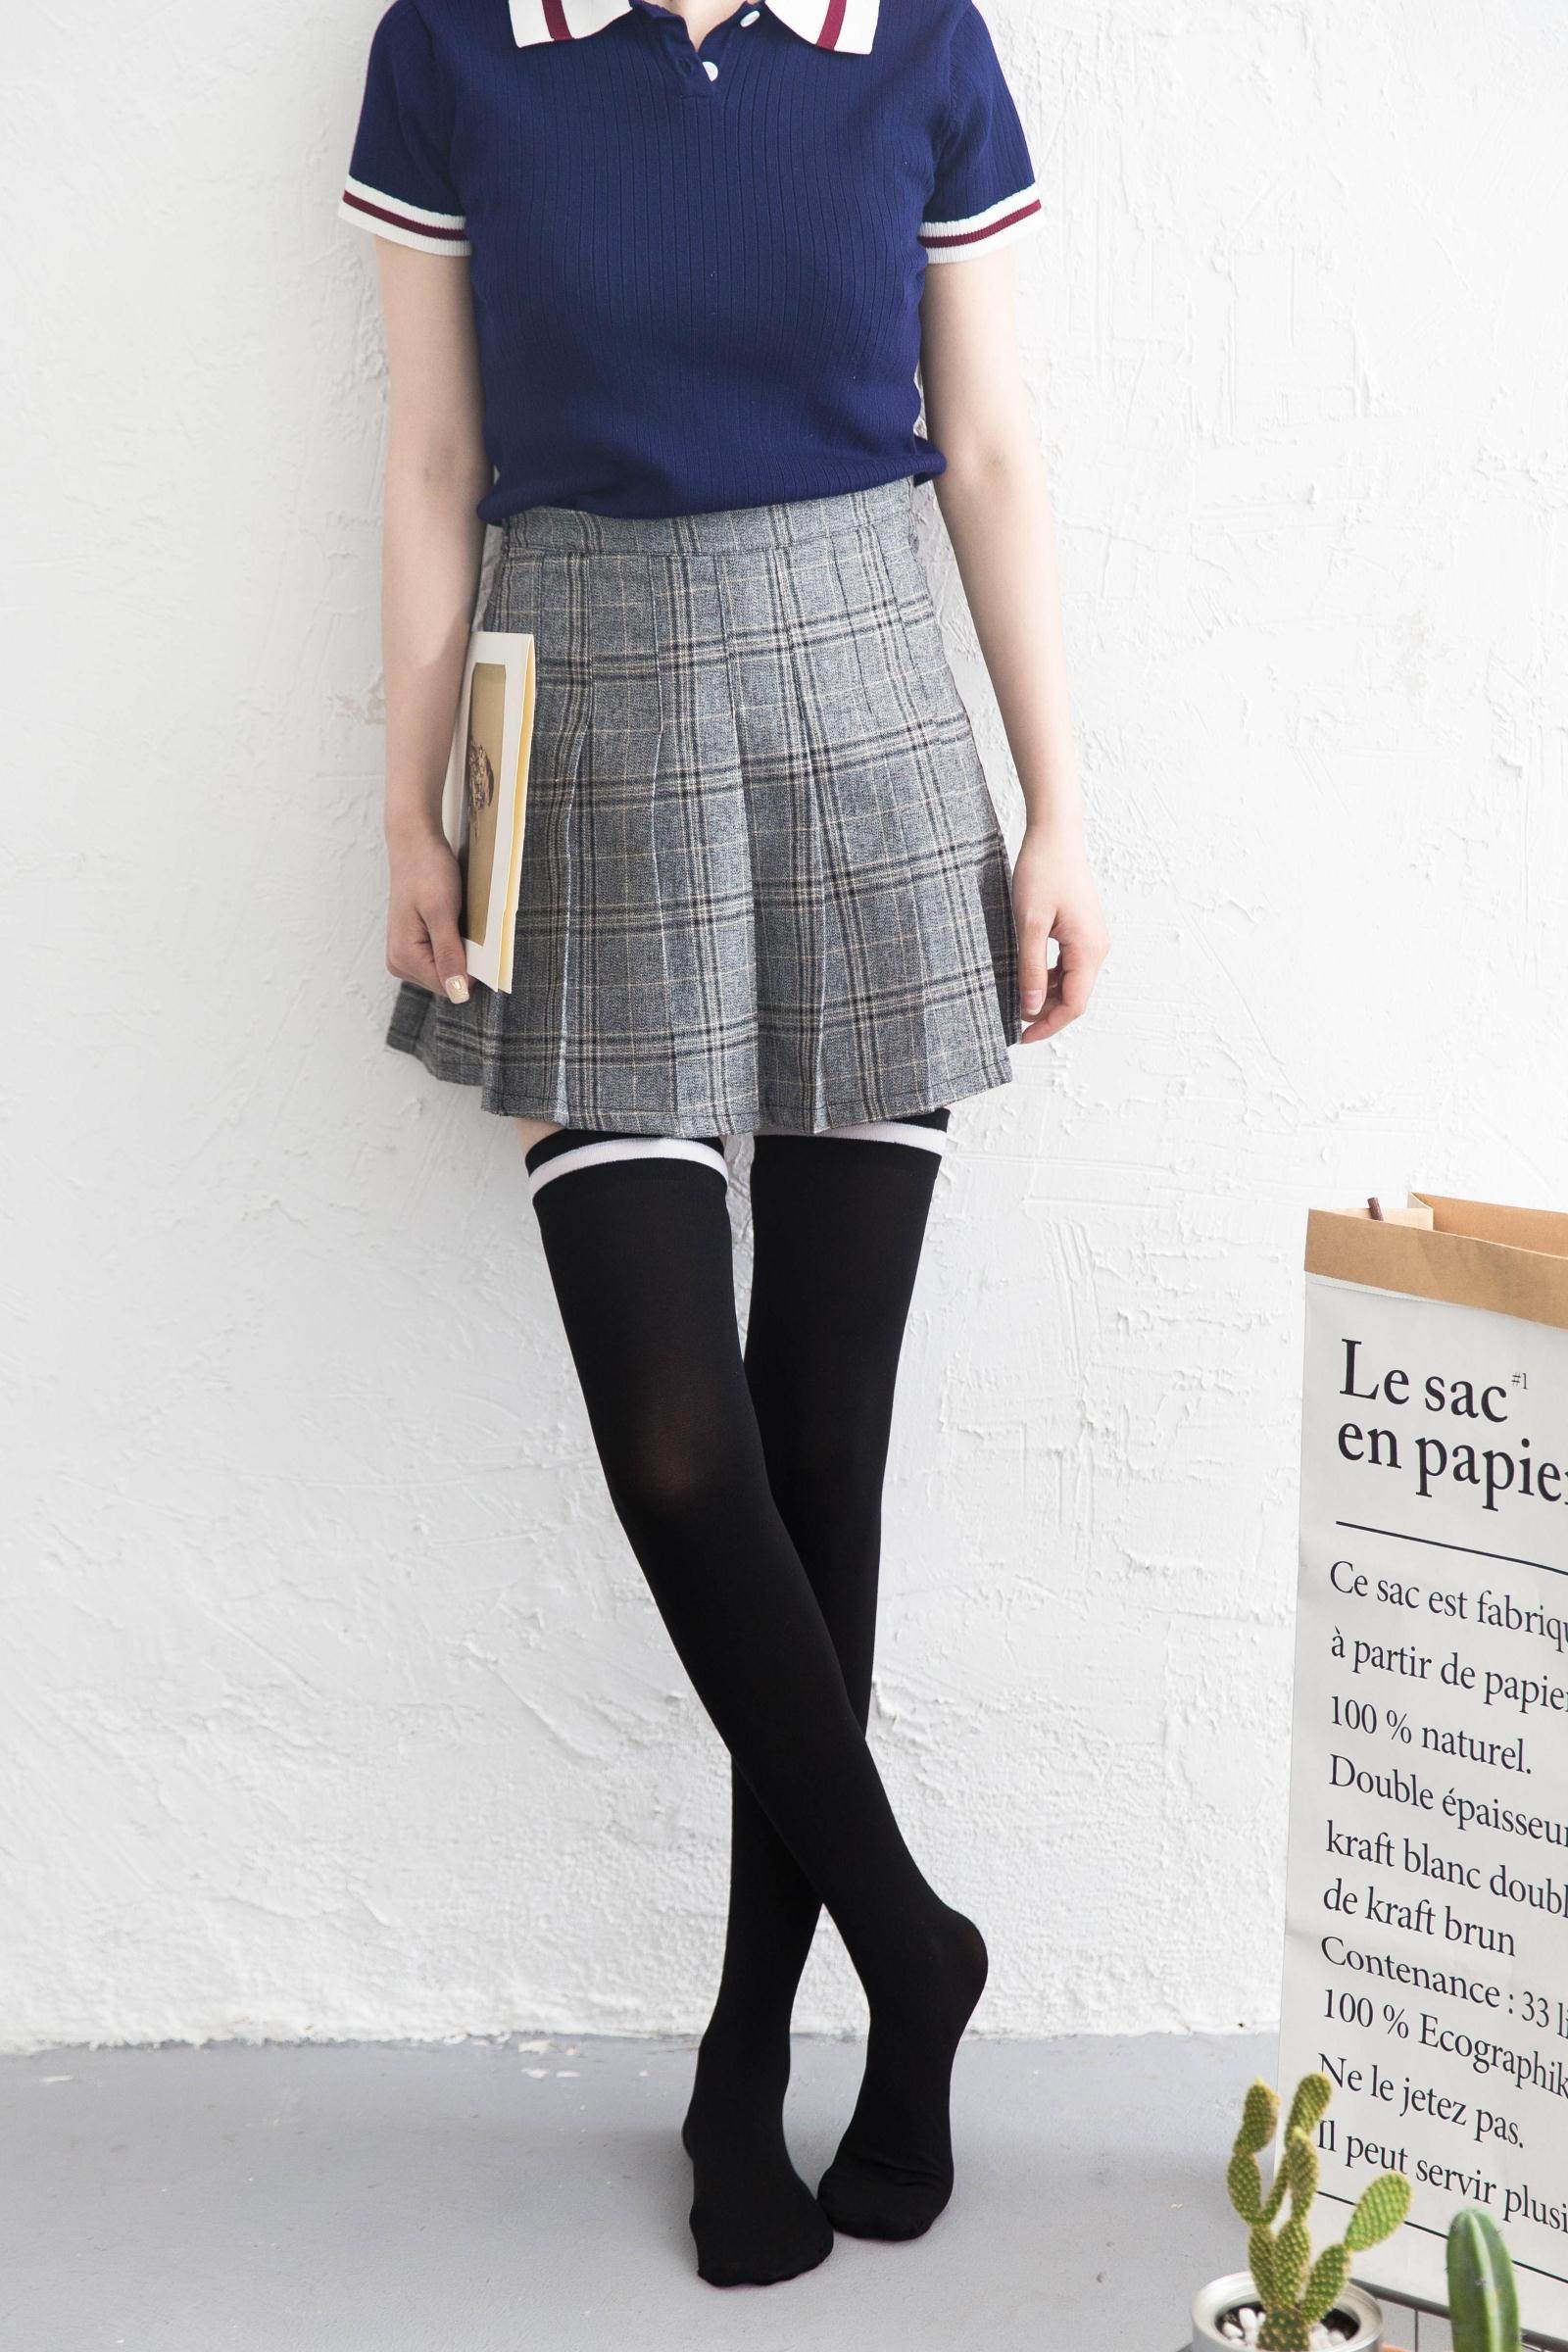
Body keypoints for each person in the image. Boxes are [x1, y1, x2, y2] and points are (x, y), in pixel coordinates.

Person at [339, 0, 1107, 2289]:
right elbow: (432, 454)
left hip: (870, 711)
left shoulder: (914, 40)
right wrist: (404, 804)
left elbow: (983, 447)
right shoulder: (456, 43)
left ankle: (751, 2047)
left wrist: (1057, 811)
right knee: (683, 1454)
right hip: (570, 712)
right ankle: (910, 1941)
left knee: (816, 1451)